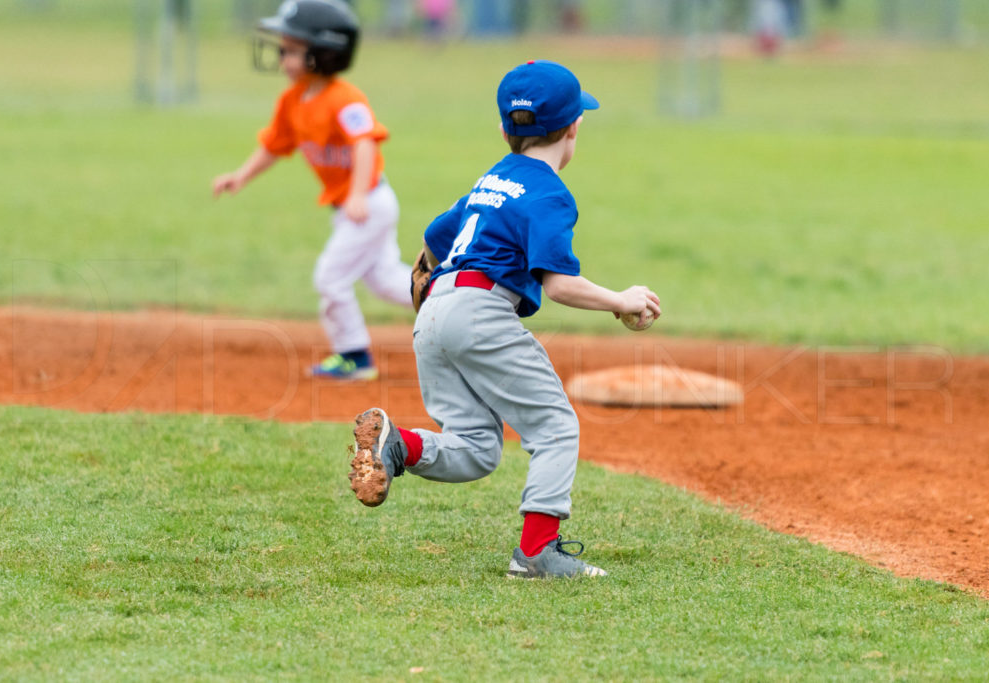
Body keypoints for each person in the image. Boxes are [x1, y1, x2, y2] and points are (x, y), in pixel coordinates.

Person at [347, 60, 662, 579]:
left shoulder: (490, 179)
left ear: (503, 130)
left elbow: (434, 236)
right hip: (480, 313)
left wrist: (425, 278)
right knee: (556, 427)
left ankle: (399, 444)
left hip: (435, 313)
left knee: (476, 450)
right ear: (573, 128)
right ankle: (537, 553)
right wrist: (621, 300)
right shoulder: (549, 193)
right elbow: (559, 285)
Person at [212, 0, 412, 381]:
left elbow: (365, 143)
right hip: (354, 207)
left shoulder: (345, 98)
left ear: (323, 52)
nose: (281, 56)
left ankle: (354, 356)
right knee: (387, 282)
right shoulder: (291, 101)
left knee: (330, 278)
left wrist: (356, 194)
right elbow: (274, 145)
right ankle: (452, 301)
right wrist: (241, 175)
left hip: (368, 202)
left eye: (290, 49)